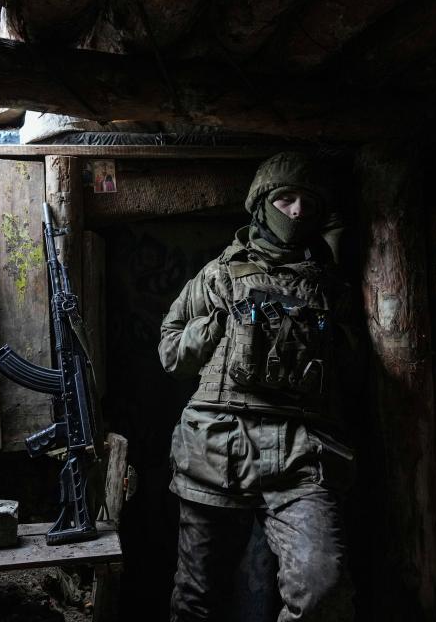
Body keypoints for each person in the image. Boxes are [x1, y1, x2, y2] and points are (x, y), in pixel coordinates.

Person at [158, 152, 359, 622]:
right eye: (285, 198)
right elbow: (170, 354)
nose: (296, 211)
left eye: (308, 202)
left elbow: (351, 370)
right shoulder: (217, 274)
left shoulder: (332, 288)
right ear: (261, 204)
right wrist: (207, 332)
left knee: (323, 589)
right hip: (215, 448)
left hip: (301, 454)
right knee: (196, 597)